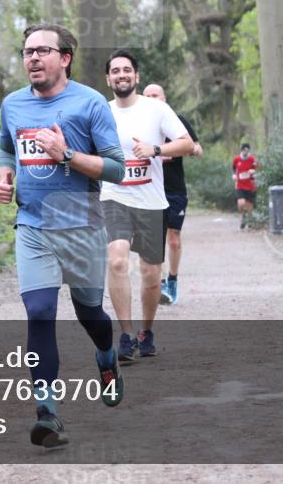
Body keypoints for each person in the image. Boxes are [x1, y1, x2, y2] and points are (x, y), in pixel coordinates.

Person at [0, 23, 126, 448]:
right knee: (39, 312)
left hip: (82, 226)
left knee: (91, 314)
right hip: (33, 226)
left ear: (65, 58)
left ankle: (106, 358)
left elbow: (117, 169)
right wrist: (4, 174)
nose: (32, 58)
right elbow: (6, 147)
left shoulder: (89, 103)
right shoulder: (13, 104)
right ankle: (47, 412)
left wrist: (66, 154)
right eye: (27, 51)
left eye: (42, 51)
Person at [101, 51, 193, 363]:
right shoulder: (101, 111)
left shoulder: (156, 108)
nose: (121, 75)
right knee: (117, 261)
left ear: (136, 76)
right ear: (108, 79)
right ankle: (126, 335)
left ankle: (146, 331)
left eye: (127, 70)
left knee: (150, 272)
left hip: (151, 201)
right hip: (114, 197)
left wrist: (155, 149)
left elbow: (186, 143)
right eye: (115, 71)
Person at [141, 84, 202, 306]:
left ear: (164, 98)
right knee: (154, 240)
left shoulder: (177, 121)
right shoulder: (139, 124)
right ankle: (159, 284)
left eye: (155, 95)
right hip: (148, 188)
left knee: (173, 239)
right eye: (147, 96)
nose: (152, 99)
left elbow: (197, 148)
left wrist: (185, 150)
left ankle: (172, 281)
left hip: (174, 189)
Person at [232, 143, 257, 228]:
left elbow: (256, 168)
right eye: (244, 150)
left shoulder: (252, 159)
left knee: (249, 206)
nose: (246, 152)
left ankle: (249, 220)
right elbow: (233, 168)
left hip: (250, 185)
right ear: (241, 150)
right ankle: (243, 216)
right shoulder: (236, 159)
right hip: (240, 184)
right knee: (241, 203)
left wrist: (253, 171)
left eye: (247, 151)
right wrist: (234, 175)